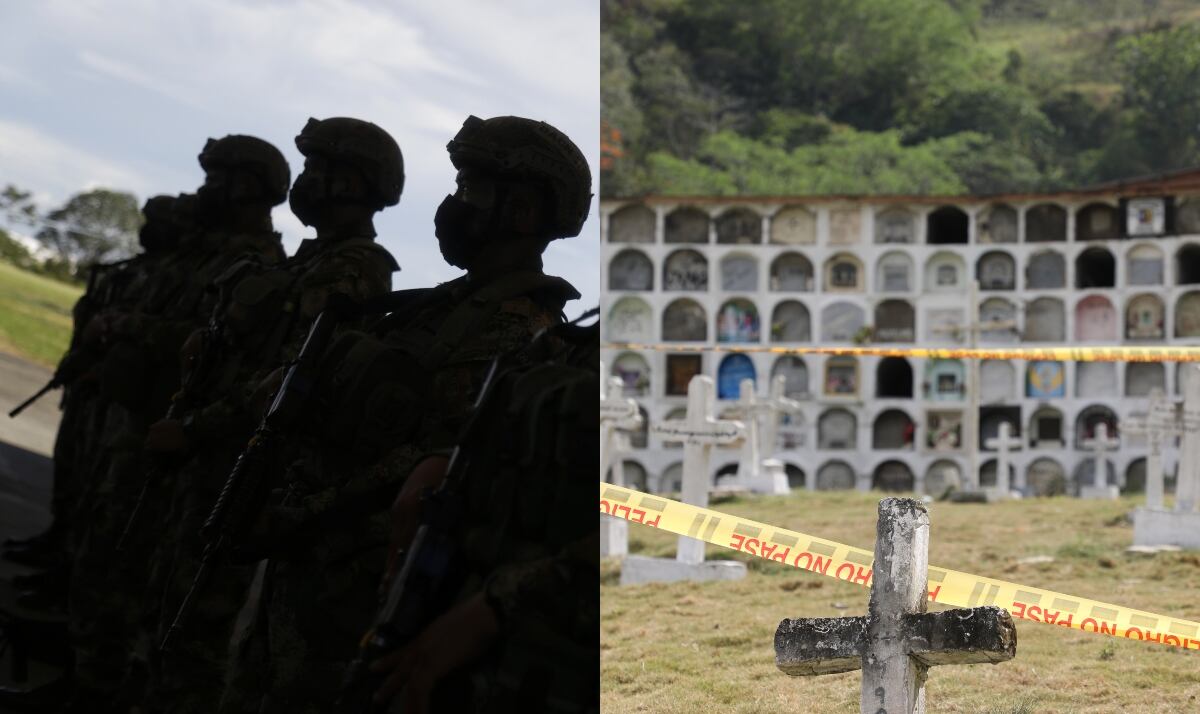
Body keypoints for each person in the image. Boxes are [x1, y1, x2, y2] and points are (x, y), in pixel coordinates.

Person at [222, 114, 591, 713]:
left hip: (357, 587)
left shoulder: (519, 331)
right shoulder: (435, 307)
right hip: (309, 565)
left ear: (523, 213)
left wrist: (302, 515)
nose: (452, 206)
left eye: (471, 190)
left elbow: (430, 465)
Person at [137, 117, 404, 714]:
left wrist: (197, 428)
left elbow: (290, 379)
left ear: (353, 183)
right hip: (211, 467)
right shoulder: (303, 263)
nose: (305, 182)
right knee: (165, 619)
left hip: (244, 476)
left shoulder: (355, 269)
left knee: (202, 643)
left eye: (318, 170)